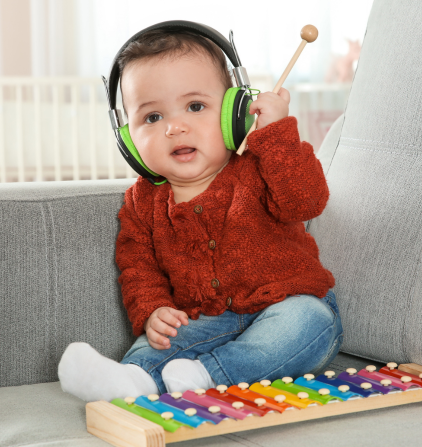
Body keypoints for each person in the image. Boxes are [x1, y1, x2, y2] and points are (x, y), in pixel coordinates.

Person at [58, 27, 343, 403]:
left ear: (233, 114)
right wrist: (153, 309)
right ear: (128, 141)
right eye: (153, 116)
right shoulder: (142, 202)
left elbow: (306, 202)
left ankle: (208, 374)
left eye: (195, 107)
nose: (175, 127)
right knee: (159, 341)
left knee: (311, 322)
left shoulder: (261, 164)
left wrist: (275, 134)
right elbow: (137, 267)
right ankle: (132, 380)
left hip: (286, 304)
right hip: (205, 320)